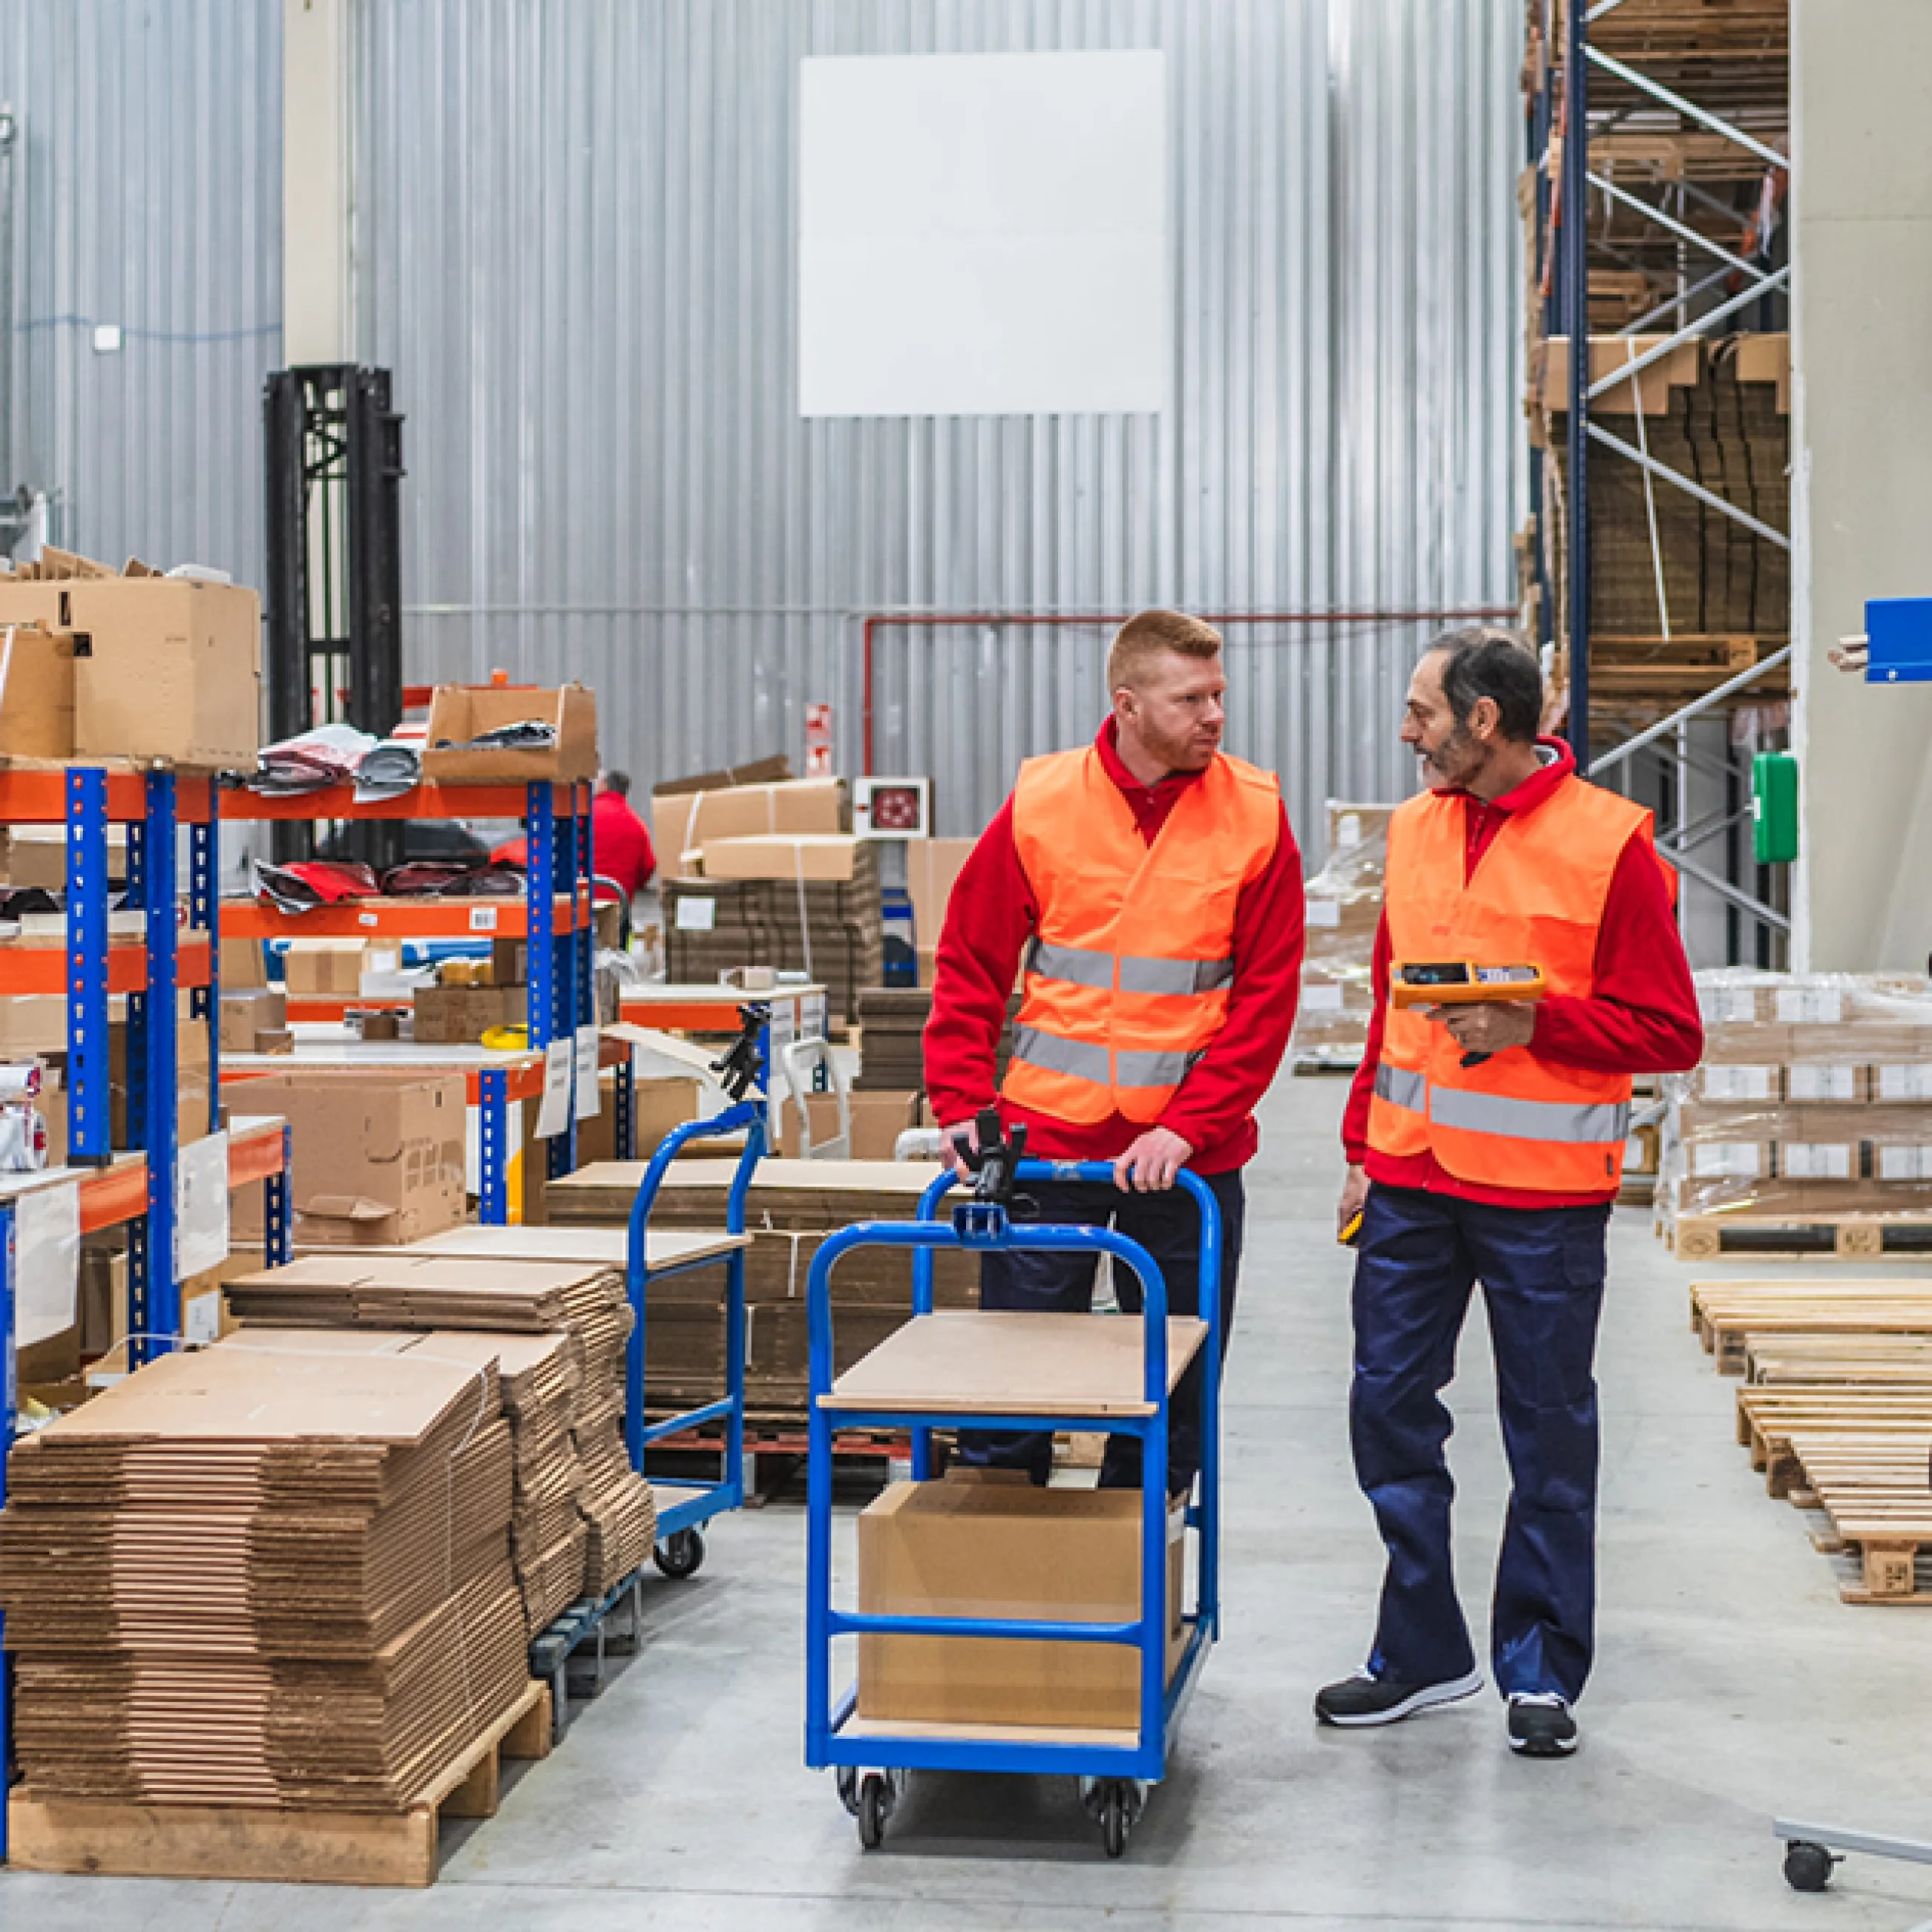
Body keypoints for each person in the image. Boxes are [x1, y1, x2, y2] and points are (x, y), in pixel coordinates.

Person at [1318, 627, 1702, 1758]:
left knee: (1546, 1429)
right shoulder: (1416, 826)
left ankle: (1539, 1666)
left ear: (1485, 722)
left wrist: (1539, 1021)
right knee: (1386, 1405)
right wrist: (1358, 1137)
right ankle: (1422, 1651)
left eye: (1421, 713)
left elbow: (1670, 1030)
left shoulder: (1612, 844)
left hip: (1541, 1194)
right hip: (1408, 1174)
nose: (1406, 733)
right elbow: (1394, 995)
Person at [923, 608, 1305, 1497]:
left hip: (1186, 1162)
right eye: (1190, 699)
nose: (1214, 715)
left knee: (1170, 1395)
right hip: (1044, 1146)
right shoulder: (1043, 803)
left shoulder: (1254, 815)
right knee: (1014, 1385)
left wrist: (1188, 1126)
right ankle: (1004, 1586)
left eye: (1218, 694)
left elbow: (1265, 998)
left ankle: (1136, 1586)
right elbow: (970, 964)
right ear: (1126, 705)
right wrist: (954, 1106)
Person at [491, 771, 656, 903]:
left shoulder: (584, 814)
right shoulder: (637, 825)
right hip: (617, 901)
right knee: (619, 940)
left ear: (605, 785)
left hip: (577, 899)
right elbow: (648, 867)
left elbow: (558, 848)